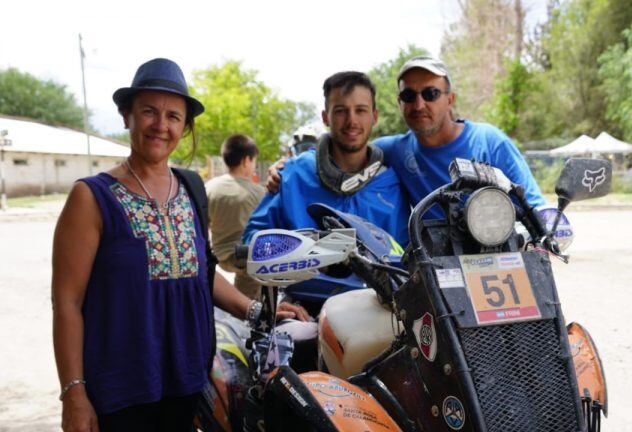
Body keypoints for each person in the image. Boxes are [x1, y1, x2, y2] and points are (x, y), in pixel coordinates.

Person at [51, 58, 307, 432]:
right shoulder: (91, 198)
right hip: (119, 390)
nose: (161, 125)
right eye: (149, 112)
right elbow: (66, 302)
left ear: (184, 127)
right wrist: (73, 393)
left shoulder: (190, 189)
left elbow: (200, 271)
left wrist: (259, 312)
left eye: (173, 116)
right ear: (127, 117)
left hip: (186, 383)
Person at [266, 56, 545, 214]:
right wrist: (286, 168)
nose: (419, 104)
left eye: (430, 93)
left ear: (450, 99)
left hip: (499, 255)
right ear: (399, 102)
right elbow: (347, 148)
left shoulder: (489, 141)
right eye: (408, 95)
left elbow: (536, 206)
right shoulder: (394, 149)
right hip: (437, 275)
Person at [243, 71, 409, 248]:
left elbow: (406, 255)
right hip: (306, 276)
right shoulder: (293, 174)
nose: (351, 120)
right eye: (340, 111)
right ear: (325, 117)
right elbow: (251, 241)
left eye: (360, 110)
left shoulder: (391, 184)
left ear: (374, 116)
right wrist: (299, 253)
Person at [206, 134, 266, 298]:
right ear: (247, 160)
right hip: (245, 260)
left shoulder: (209, 188)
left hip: (217, 255)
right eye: (253, 161)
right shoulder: (258, 193)